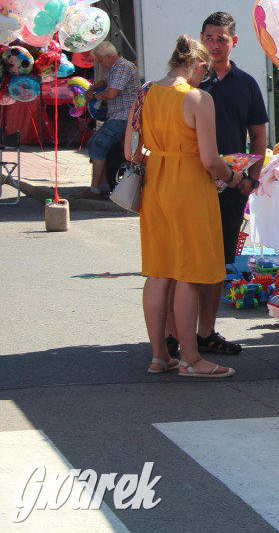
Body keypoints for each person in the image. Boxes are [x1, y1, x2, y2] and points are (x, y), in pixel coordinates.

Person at [127, 35, 241, 378]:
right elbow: (209, 159)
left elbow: (131, 152)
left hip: (156, 186)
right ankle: (191, 359)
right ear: (200, 65)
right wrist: (232, 175)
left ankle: (160, 356)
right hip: (190, 189)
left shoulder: (145, 93)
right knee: (189, 274)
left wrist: (162, 156)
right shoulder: (197, 98)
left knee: (159, 272)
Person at [186, 11, 269, 357]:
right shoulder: (189, 83)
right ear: (200, 39)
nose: (215, 44)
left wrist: (251, 178)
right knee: (187, 262)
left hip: (231, 187)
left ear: (234, 42)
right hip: (189, 184)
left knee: (218, 262)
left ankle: (206, 332)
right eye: (209, 37)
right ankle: (179, 335)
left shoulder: (246, 83)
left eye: (222, 38)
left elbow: (259, 135)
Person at [83, 41, 138, 198]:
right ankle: (104, 185)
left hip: (123, 116)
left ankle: (95, 188)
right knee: (100, 144)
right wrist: (92, 87)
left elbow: (111, 93)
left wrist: (93, 95)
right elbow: (105, 81)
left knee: (97, 143)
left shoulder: (122, 67)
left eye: (101, 60)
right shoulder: (117, 67)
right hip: (119, 115)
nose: (101, 64)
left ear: (109, 56)